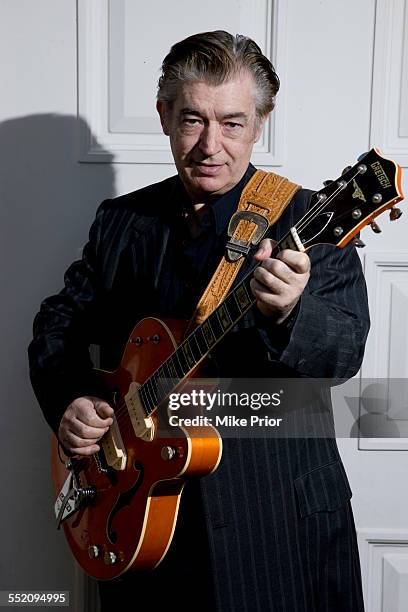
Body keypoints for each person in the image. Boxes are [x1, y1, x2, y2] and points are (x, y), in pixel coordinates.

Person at [28, 31, 370, 611]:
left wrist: (291, 312)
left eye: (233, 123)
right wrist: (72, 400)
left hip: (279, 525)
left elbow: (343, 354)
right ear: (163, 116)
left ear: (260, 124)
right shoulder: (120, 221)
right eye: (192, 119)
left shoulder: (311, 220)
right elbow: (57, 324)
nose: (211, 144)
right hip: (139, 520)